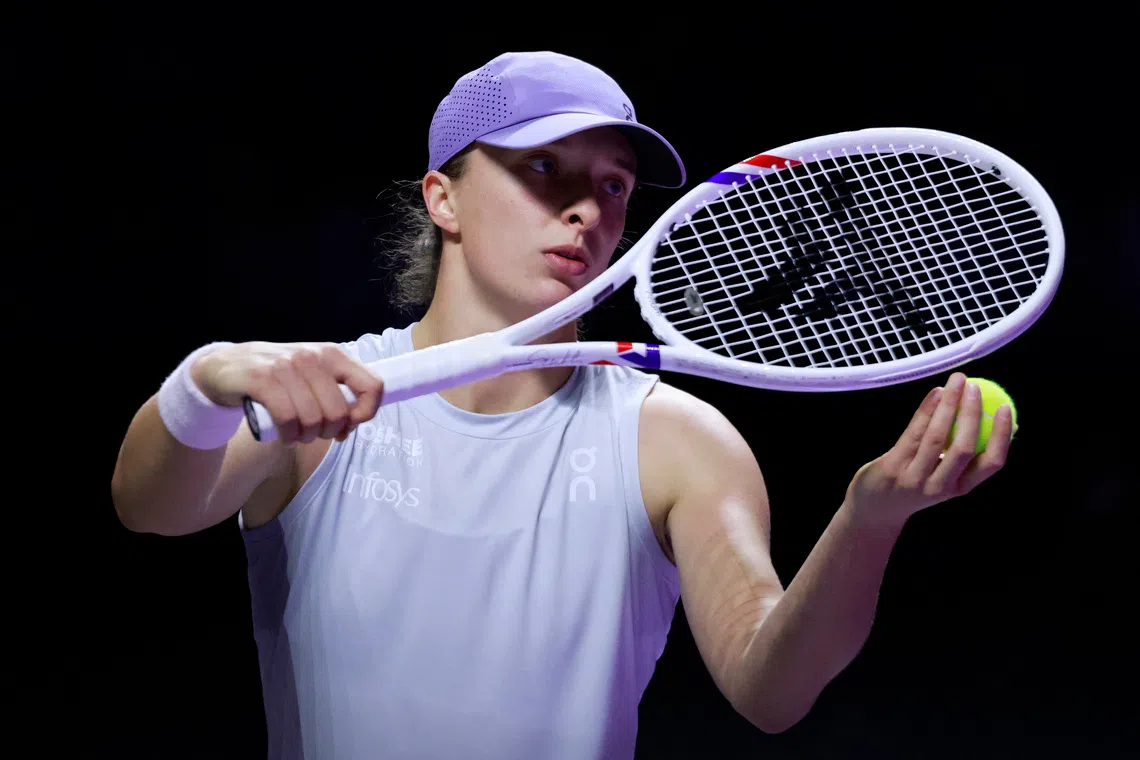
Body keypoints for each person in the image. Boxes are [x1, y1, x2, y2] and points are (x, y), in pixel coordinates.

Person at [110, 51, 1015, 759]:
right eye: (544, 167)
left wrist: (870, 519)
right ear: (444, 198)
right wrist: (203, 385)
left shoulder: (675, 441)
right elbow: (151, 507)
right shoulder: (319, 401)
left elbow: (770, 689)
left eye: (613, 184)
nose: (587, 207)